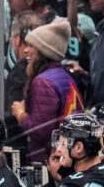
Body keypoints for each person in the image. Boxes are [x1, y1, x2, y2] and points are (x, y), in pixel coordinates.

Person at [12, 17, 84, 164]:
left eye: (31, 46)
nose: (26, 50)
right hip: (68, 157)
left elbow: (42, 132)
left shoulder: (42, 82)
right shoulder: (64, 75)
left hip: (50, 161)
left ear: (43, 51)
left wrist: (20, 114)